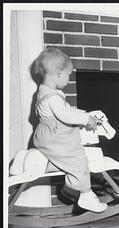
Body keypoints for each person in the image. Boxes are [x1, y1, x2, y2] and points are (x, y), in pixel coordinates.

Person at [33, 48, 107, 213]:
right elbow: (64, 115)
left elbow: (66, 110)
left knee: (75, 154)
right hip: (55, 138)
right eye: (68, 75)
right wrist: (86, 119)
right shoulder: (52, 97)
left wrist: (83, 114)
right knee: (78, 159)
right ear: (59, 74)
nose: (68, 78)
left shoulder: (46, 92)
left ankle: (72, 187)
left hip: (51, 135)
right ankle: (85, 194)